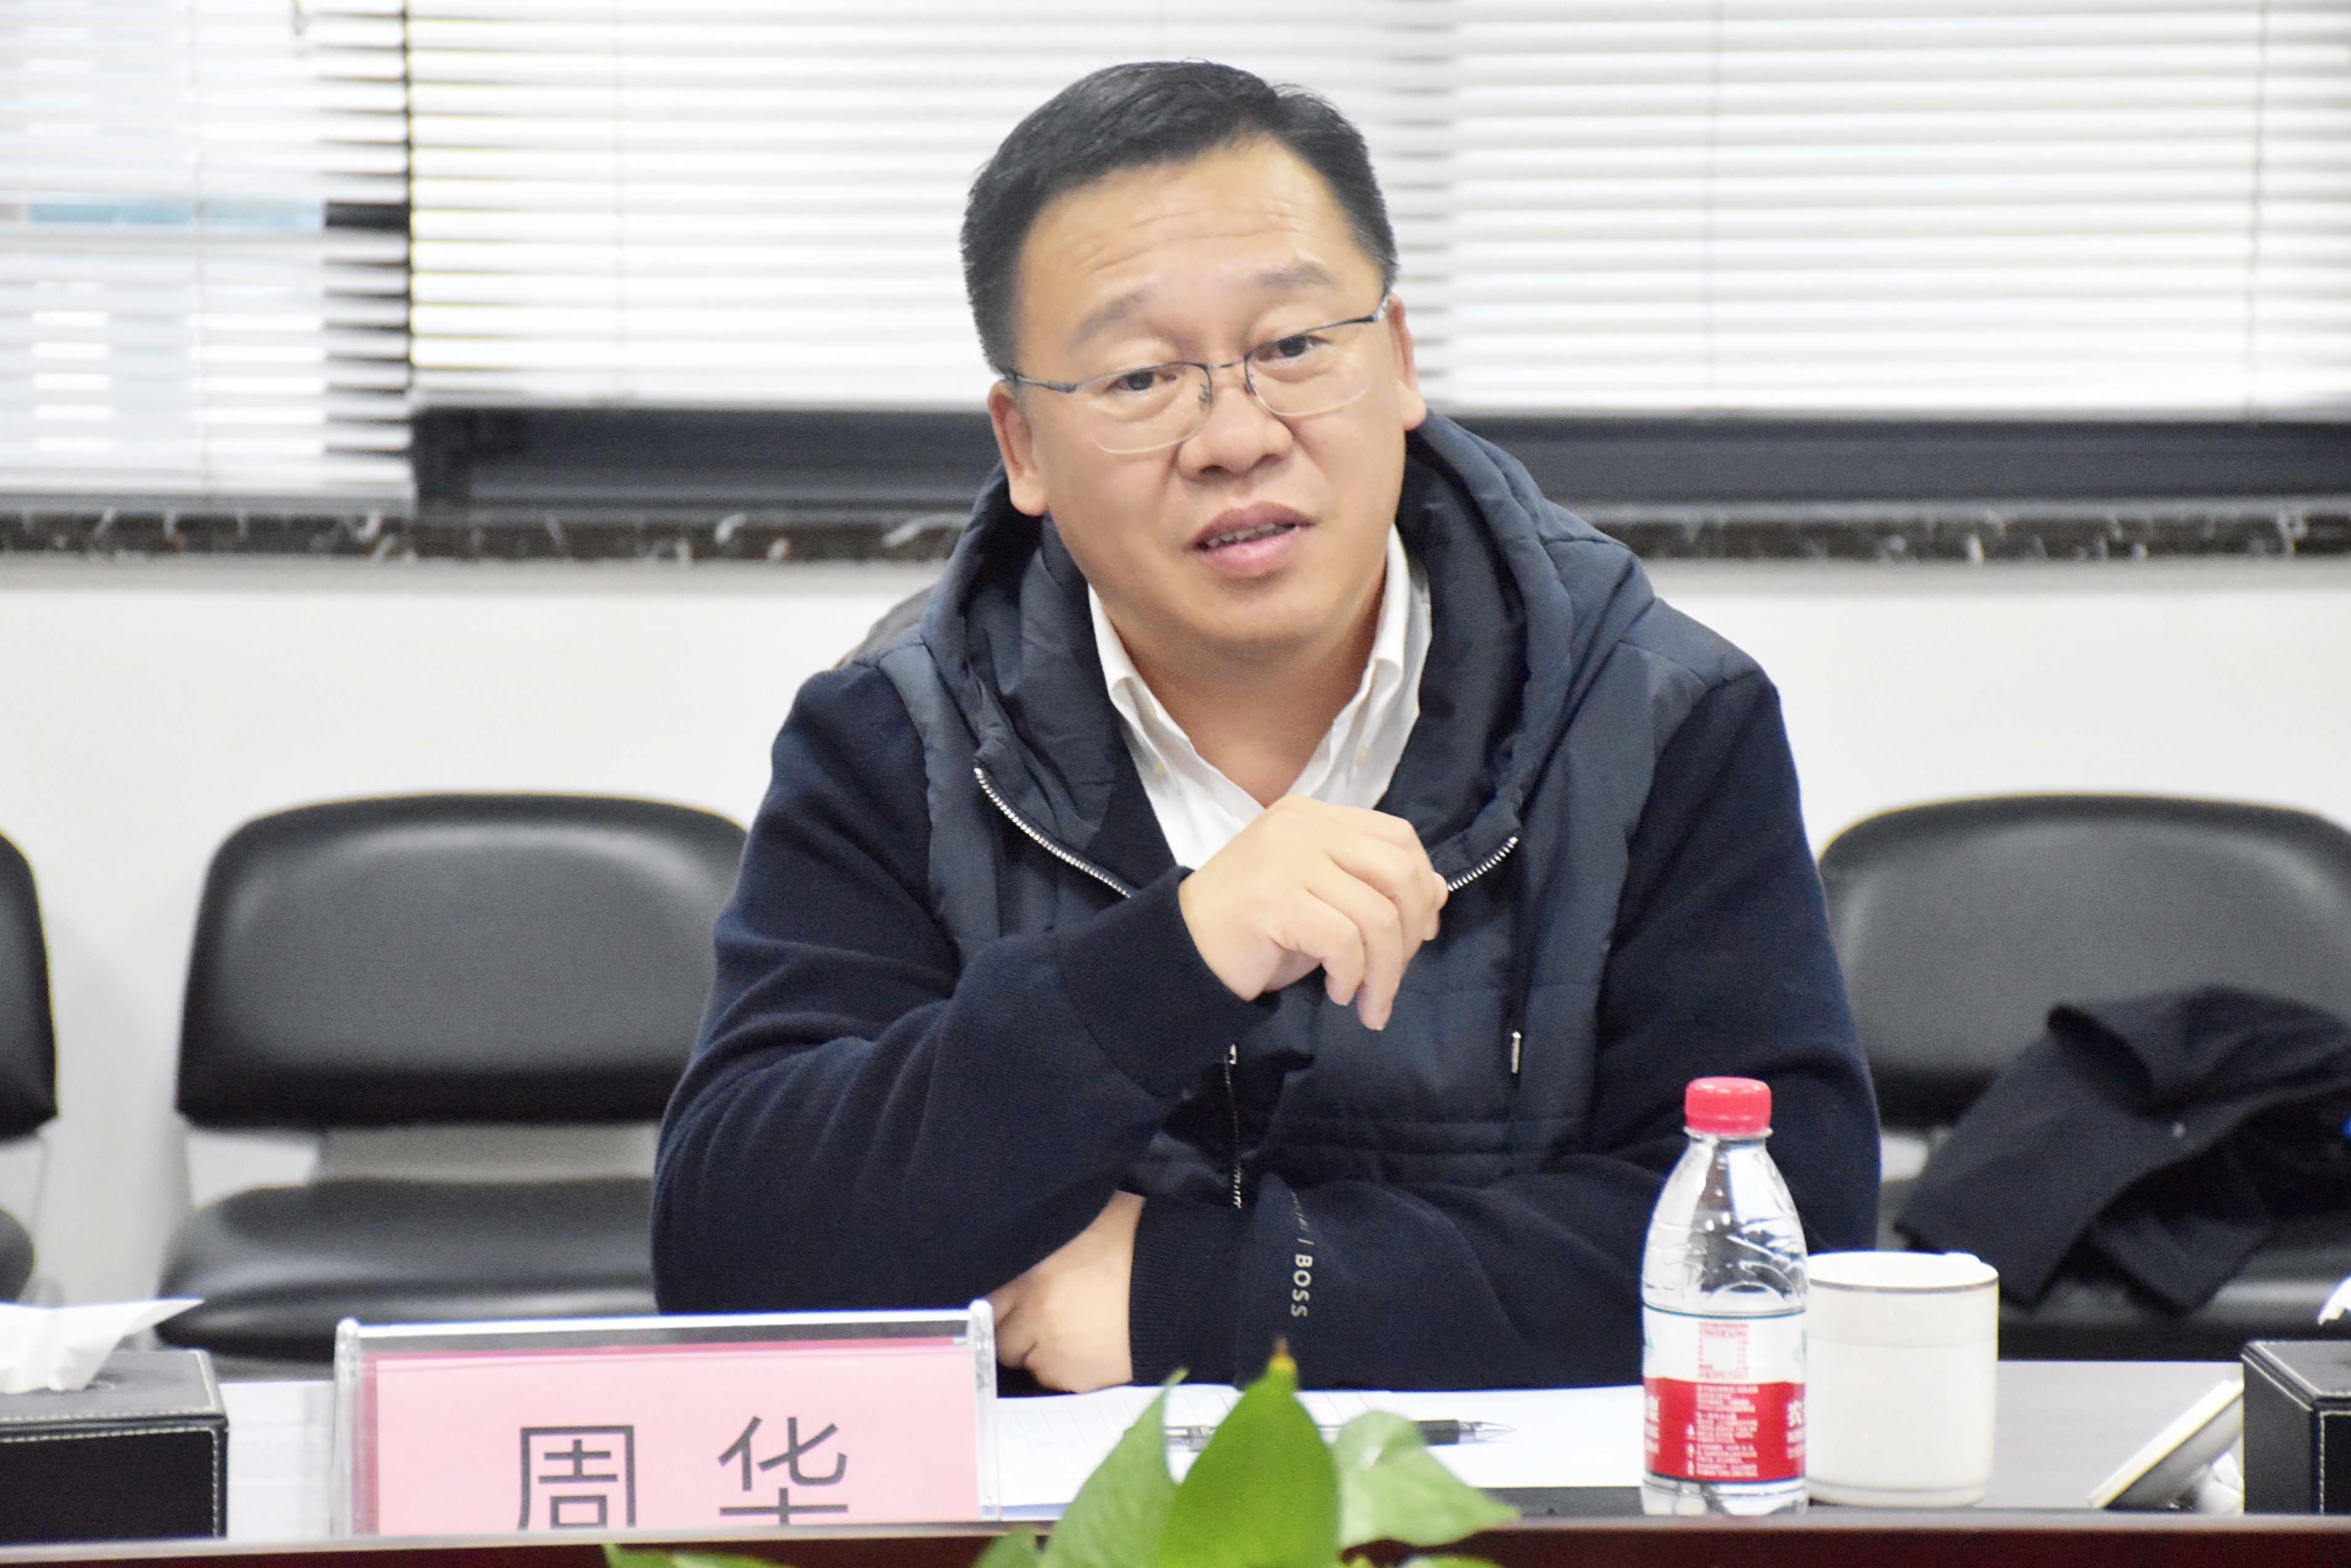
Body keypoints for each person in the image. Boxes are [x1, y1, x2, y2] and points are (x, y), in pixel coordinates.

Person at [653, 60, 1878, 1394]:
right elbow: (734, 1257)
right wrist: (1170, 960)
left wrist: (1203, 1296)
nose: (1236, 436)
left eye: (1294, 348)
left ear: (1398, 361)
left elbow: (1780, 1248)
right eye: (1139, 376)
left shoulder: (1652, 716)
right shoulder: (901, 736)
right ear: (1024, 447)